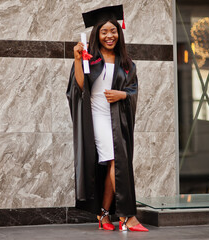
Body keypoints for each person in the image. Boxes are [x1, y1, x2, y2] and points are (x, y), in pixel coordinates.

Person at [66, 5, 148, 232]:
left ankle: (104, 214)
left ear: (118, 33)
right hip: (96, 117)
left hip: (116, 119)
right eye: (104, 32)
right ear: (97, 35)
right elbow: (79, 88)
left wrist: (122, 94)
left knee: (117, 162)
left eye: (113, 31)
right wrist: (76, 59)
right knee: (115, 161)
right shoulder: (89, 58)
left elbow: (133, 90)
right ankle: (127, 216)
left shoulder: (127, 64)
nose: (109, 36)